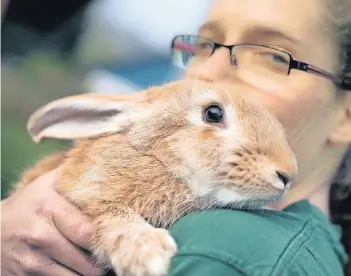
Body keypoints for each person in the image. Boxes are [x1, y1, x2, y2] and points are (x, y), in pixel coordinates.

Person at [1, 0, 351, 275]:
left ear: (346, 115)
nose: (207, 72)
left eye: (274, 56)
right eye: (204, 45)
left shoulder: (226, 252)